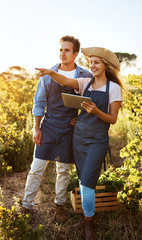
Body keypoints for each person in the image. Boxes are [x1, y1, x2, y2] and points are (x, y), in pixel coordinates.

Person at [36, 46, 123, 239]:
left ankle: (89, 224)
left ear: (105, 65)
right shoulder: (85, 83)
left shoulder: (114, 88)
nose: (92, 65)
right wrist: (51, 72)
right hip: (79, 139)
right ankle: (86, 216)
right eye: (90, 62)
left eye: (96, 62)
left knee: (87, 184)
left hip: (97, 142)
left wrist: (95, 111)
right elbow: (65, 80)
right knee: (83, 179)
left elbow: (113, 119)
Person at [21, 36, 92, 223]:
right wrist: (36, 128)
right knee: (36, 168)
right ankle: (26, 205)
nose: (62, 53)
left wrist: (81, 117)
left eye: (67, 50)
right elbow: (39, 103)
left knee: (64, 171)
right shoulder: (48, 74)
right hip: (49, 126)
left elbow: (93, 102)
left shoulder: (84, 76)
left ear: (75, 54)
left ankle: (59, 206)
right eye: (61, 50)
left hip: (69, 130)